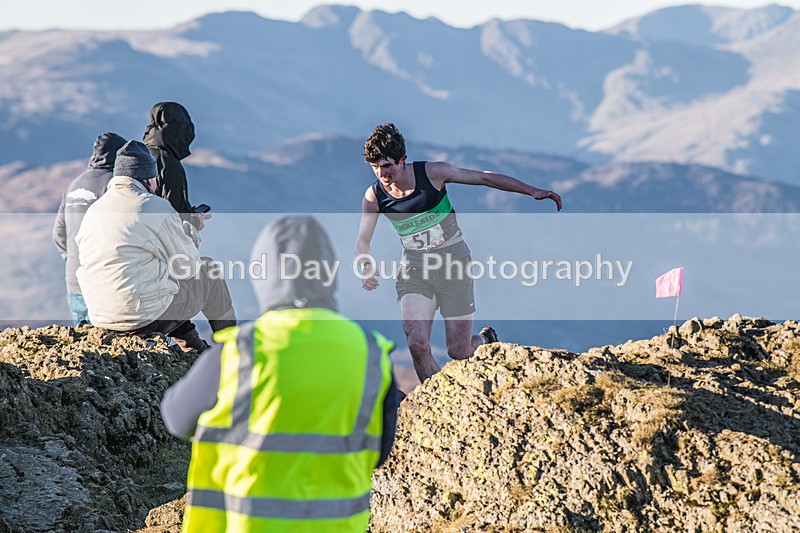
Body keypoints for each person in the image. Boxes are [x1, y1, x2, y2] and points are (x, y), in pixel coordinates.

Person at [162, 215, 398, 532]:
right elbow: (380, 452)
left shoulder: (240, 352)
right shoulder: (371, 353)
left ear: (265, 277)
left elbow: (177, 419)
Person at [356, 123, 562, 383]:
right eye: (375, 166)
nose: (381, 173)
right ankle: (434, 401)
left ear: (403, 159)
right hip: (415, 269)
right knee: (417, 344)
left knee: (459, 350)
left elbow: (484, 177)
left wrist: (532, 191)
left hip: (454, 264)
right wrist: (365, 267)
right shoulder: (374, 197)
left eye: (388, 166)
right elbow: (362, 241)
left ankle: (486, 339)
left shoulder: (433, 173)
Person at [75, 140, 236, 352]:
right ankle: (232, 346)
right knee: (208, 271)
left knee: (161, 282)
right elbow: (187, 264)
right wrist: (190, 231)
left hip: (101, 316)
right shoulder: (152, 205)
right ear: (148, 178)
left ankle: (194, 348)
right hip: (141, 319)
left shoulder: (95, 210)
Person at [53, 132, 126, 326]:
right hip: (102, 281)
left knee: (84, 348)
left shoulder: (74, 184)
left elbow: (58, 233)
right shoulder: (114, 185)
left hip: (74, 279)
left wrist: (73, 259)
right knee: (110, 348)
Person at [143, 101, 210, 230]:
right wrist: (196, 221)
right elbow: (176, 217)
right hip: (156, 241)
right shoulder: (168, 164)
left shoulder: (139, 155)